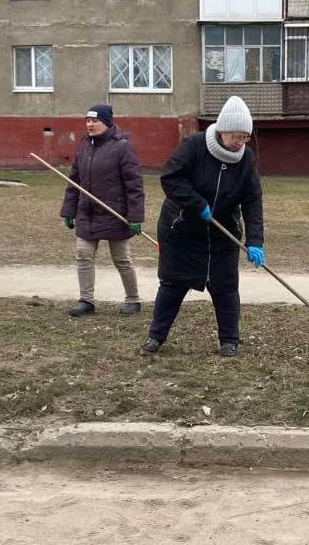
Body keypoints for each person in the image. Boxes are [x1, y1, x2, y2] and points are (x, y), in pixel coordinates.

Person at [142, 95, 264, 358]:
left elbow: (253, 199)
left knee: (226, 288)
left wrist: (255, 240)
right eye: (235, 136)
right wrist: (197, 204)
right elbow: (171, 178)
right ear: (221, 130)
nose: (239, 143)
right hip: (182, 230)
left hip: (223, 234)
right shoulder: (195, 146)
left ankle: (229, 340)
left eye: (244, 137)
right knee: (172, 285)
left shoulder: (245, 159)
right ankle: (155, 336)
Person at [60, 104, 146, 317]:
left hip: (116, 214)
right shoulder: (84, 146)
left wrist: (135, 217)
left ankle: (133, 299)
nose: (89, 124)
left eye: (94, 120)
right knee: (83, 255)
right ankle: (86, 300)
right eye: (87, 120)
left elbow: (134, 185)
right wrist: (69, 210)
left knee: (122, 259)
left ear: (106, 122)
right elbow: (74, 182)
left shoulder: (122, 147)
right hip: (87, 213)